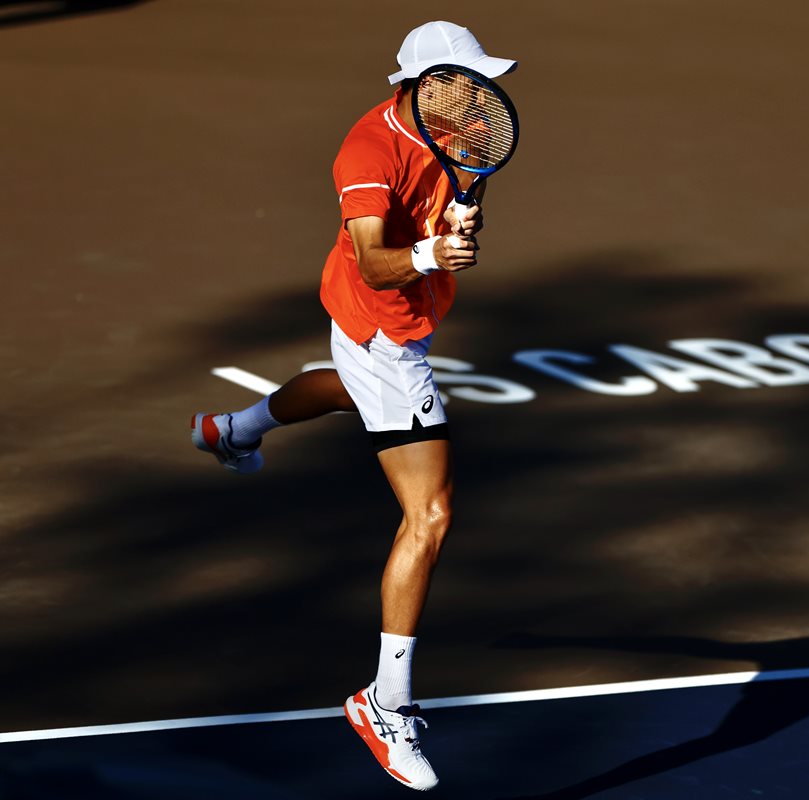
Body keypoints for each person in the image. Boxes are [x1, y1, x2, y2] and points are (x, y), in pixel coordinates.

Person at [189, 21, 517, 791]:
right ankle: (385, 702)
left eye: (481, 82)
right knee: (429, 515)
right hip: (383, 330)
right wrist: (434, 250)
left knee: (348, 387)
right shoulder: (367, 152)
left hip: (388, 323)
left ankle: (230, 430)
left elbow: (448, 207)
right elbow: (374, 261)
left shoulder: (463, 130)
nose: (480, 95)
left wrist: (456, 223)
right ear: (425, 85)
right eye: (466, 81)